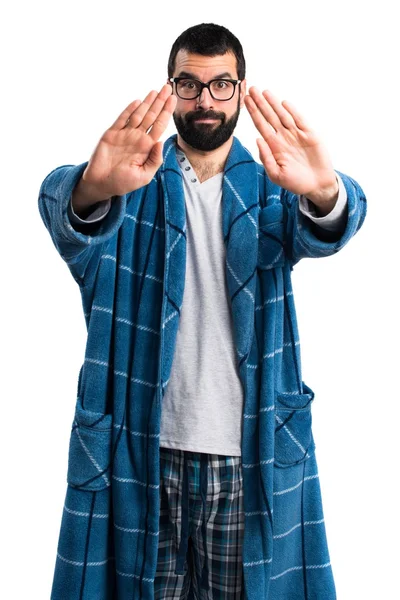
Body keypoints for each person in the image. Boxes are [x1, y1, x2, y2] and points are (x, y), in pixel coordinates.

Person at [38, 22, 366, 600]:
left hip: (248, 454)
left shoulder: (270, 184)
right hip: (140, 453)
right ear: (170, 90)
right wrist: (91, 186)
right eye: (188, 85)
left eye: (221, 85)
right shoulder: (129, 181)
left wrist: (324, 192)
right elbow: (64, 211)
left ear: (240, 90)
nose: (205, 101)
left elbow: (330, 226)